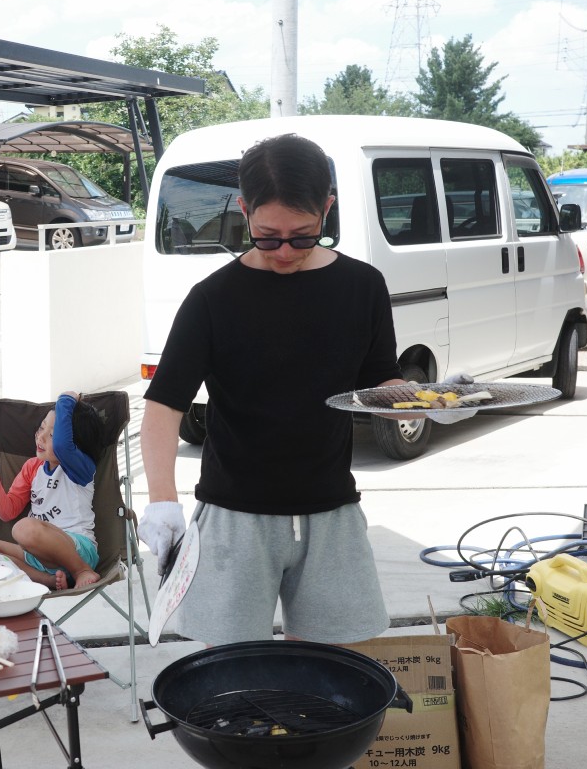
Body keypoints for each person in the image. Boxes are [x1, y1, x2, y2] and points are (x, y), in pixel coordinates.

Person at [137, 133, 410, 647]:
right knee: (233, 669)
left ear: (327, 209)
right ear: (244, 210)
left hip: (331, 510)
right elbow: (163, 407)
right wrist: (162, 501)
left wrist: (428, 401)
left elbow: (380, 382)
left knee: (336, 668)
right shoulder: (212, 299)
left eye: (303, 236)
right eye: (266, 235)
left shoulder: (362, 287)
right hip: (234, 515)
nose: (285, 251)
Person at [0, 392, 104, 590]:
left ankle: (81, 571)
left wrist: (66, 399)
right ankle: (47, 580)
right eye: (41, 427)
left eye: (52, 435)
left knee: (24, 529)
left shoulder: (80, 468)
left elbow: (62, 447)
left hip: (77, 550)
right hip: (38, 557)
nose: (40, 437)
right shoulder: (33, 467)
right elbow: (8, 512)